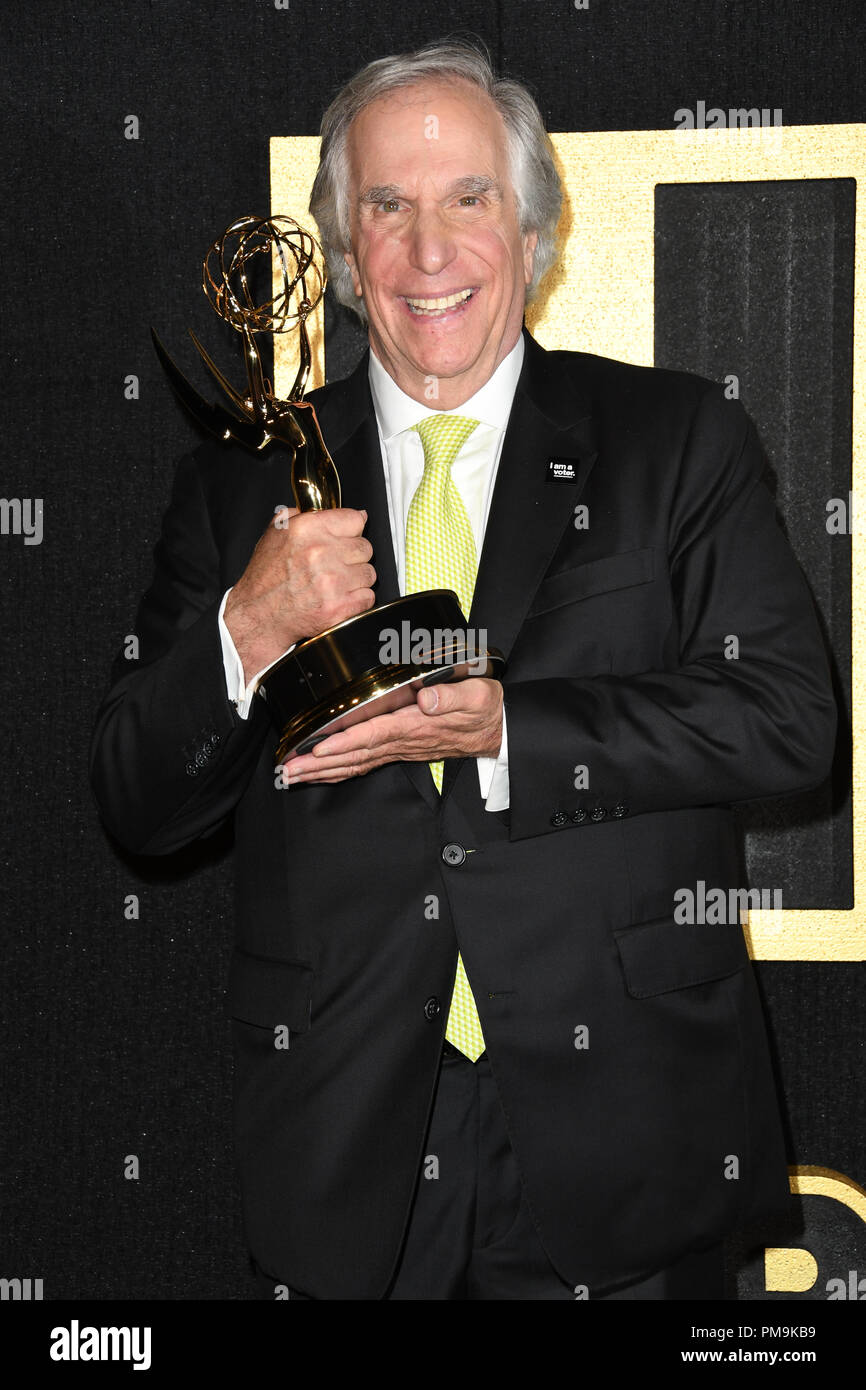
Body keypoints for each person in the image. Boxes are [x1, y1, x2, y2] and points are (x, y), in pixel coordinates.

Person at [90, 39, 836, 1300]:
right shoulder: (241, 485)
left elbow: (787, 718)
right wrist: (246, 628)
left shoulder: (673, 439)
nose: (426, 253)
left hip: (629, 1131)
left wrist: (504, 731)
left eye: (466, 200)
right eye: (385, 205)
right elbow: (137, 803)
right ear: (338, 247)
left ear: (532, 235)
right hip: (349, 1150)